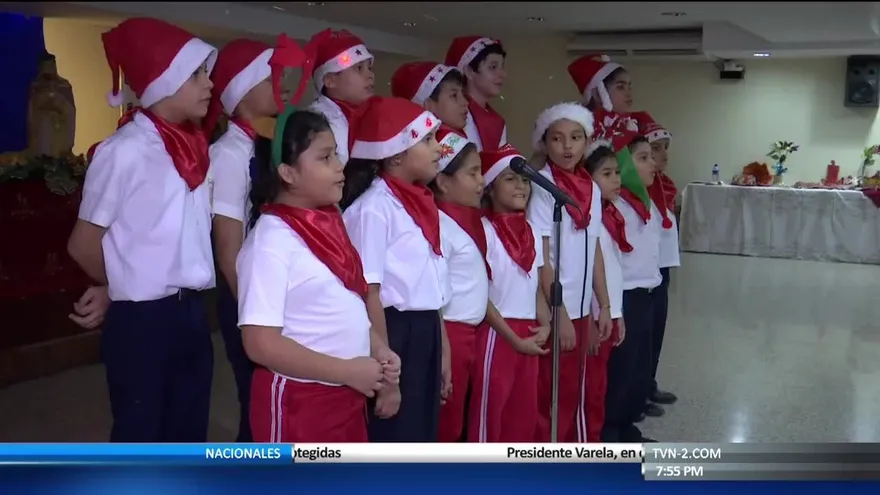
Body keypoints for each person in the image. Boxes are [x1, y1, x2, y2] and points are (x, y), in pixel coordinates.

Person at [66, 17, 218, 442]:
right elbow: (83, 244)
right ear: (162, 82)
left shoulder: (194, 145)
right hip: (144, 320)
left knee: (189, 433)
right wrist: (120, 285)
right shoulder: (125, 150)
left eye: (207, 73)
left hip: (191, 311)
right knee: (142, 434)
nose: (209, 84)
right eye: (196, 74)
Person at [237, 108, 399, 442]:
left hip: (346, 396)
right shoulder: (271, 240)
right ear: (288, 173)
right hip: (300, 402)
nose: (340, 167)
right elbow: (260, 344)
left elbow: (342, 305)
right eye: (325, 157)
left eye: (336, 154)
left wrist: (377, 348)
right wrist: (346, 371)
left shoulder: (328, 224)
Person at [203, 34, 314, 443]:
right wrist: (255, 313)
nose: (283, 86)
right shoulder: (230, 155)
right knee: (258, 403)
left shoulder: (262, 144)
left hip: (271, 294)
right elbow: (228, 244)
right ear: (242, 91)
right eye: (271, 79)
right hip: (250, 299)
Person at [341, 97, 451, 442]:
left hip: (425, 327)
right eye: (428, 141)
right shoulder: (374, 209)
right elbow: (368, 292)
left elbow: (430, 286)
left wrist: (443, 348)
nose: (439, 149)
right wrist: (387, 378)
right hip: (393, 332)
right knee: (396, 436)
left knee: (421, 436)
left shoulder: (420, 202)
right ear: (396, 153)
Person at [527, 102, 613, 443]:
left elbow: (594, 248)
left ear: (586, 141)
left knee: (575, 393)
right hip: (556, 308)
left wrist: (602, 306)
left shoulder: (589, 187)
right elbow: (542, 258)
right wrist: (558, 312)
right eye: (558, 139)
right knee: (552, 397)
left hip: (581, 309)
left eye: (576, 138)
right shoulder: (542, 186)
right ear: (544, 143)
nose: (567, 147)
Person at [468, 145, 551, 443]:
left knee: (523, 415)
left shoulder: (530, 228)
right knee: (491, 415)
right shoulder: (484, 230)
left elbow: (535, 288)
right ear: (490, 188)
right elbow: (481, 295)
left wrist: (547, 324)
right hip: (497, 334)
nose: (521, 186)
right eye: (510, 179)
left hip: (528, 333)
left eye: (525, 180)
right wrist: (513, 339)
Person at [601, 130, 662, 443]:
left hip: (645, 294)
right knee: (622, 370)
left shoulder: (643, 203)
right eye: (642, 158)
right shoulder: (615, 209)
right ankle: (612, 430)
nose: (653, 164)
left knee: (639, 365)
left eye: (651, 157)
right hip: (625, 297)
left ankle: (627, 424)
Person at [631, 111, 679, 411]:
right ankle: (636, 390)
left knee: (656, 331)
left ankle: (648, 383)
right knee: (641, 337)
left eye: (663, 149)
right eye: (653, 150)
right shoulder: (639, 191)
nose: (662, 156)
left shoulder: (665, 185)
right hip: (646, 272)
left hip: (662, 267)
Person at [583, 144, 628, 442]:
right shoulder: (590, 222)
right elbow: (587, 275)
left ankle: (596, 440)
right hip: (595, 317)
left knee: (600, 387)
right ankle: (588, 443)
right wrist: (591, 316)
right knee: (591, 388)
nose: (616, 180)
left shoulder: (609, 217)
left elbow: (613, 273)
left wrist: (618, 313)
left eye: (617, 173)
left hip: (608, 314)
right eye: (606, 174)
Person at [308, 29, 375, 166]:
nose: (370, 75)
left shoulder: (369, 115)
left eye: (370, 68)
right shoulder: (314, 120)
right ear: (330, 81)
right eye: (359, 68)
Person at [445, 36, 507, 151]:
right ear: (469, 71)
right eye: (493, 67)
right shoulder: (454, 115)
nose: (503, 74)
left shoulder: (498, 121)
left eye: (502, 66)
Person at [568, 54, 638, 136]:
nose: (629, 93)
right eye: (620, 87)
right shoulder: (581, 130)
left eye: (629, 87)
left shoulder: (634, 123)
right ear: (598, 93)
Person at [391, 61, 469, 131]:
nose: (465, 102)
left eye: (463, 94)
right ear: (428, 106)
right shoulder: (445, 144)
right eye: (454, 95)